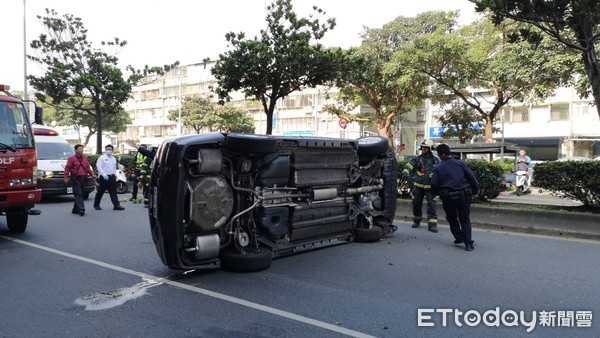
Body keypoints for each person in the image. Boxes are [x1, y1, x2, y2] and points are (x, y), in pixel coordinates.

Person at [430, 144, 479, 251]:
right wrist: (475, 190)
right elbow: (471, 177)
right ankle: (468, 244)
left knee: (452, 218)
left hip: (448, 198)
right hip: (464, 196)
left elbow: (433, 184)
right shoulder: (460, 164)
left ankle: (459, 237)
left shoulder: (438, 167)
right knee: (465, 219)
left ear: (441, 155)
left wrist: (437, 193)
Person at [401, 139, 441, 233]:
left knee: (431, 205)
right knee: (416, 204)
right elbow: (409, 166)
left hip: (431, 187)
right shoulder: (417, 159)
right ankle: (417, 220)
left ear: (430, 148)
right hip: (418, 186)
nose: (423, 149)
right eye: (422, 147)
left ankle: (432, 225)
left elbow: (441, 170)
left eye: (426, 147)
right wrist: (405, 171)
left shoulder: (436, 160)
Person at [63, 144, 96, 216]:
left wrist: (92, 174)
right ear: (75, 150)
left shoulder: (84, 158)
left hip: (83, 178)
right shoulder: (71, 158)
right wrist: (65, 177)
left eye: (82, 148)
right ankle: (81, 209)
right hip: (75, 178)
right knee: (78, 193)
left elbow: (87, 168)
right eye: (80, 148)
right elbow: (67, 168)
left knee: (81, 194)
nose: (82, 150)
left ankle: (75, 209)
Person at [93, 144, 125, 211]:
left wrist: (114, 174)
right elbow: (99, 167)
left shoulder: (113, 158)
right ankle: (96, 205)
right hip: (104, 177)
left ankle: (116, 205)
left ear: (112, 150)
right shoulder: (102, 158)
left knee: (113, 192)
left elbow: (113, 168)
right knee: (100, 192)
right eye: (107, 149)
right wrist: (104, 174)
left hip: (112, 177)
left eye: (109, 149)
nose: (108, 151)